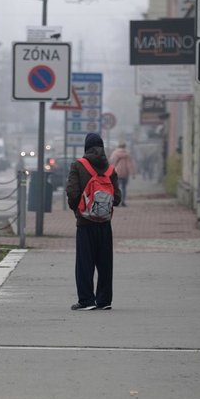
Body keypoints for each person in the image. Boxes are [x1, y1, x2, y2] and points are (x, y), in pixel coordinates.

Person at [65, 132, 121, 311]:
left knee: (84, 263)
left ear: (86, 147)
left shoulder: (78, 165)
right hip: (104, 223)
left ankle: (86, 300)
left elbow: (72, 193)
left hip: (85, 223)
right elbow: (117, 198)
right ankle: (104, 301)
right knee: (105, 263)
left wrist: (78, 209)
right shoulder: (110, 169)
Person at [109, 141, 137, 206]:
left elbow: (112, 163)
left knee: (117, 188)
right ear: (125, 147)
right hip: (125, 173)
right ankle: (123, 201)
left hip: (116, 173)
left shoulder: (115, 153)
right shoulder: (127, 154)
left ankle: (117, 201)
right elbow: (129, 164)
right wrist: (132, 173)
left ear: (118, 146)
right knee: (124, 188)